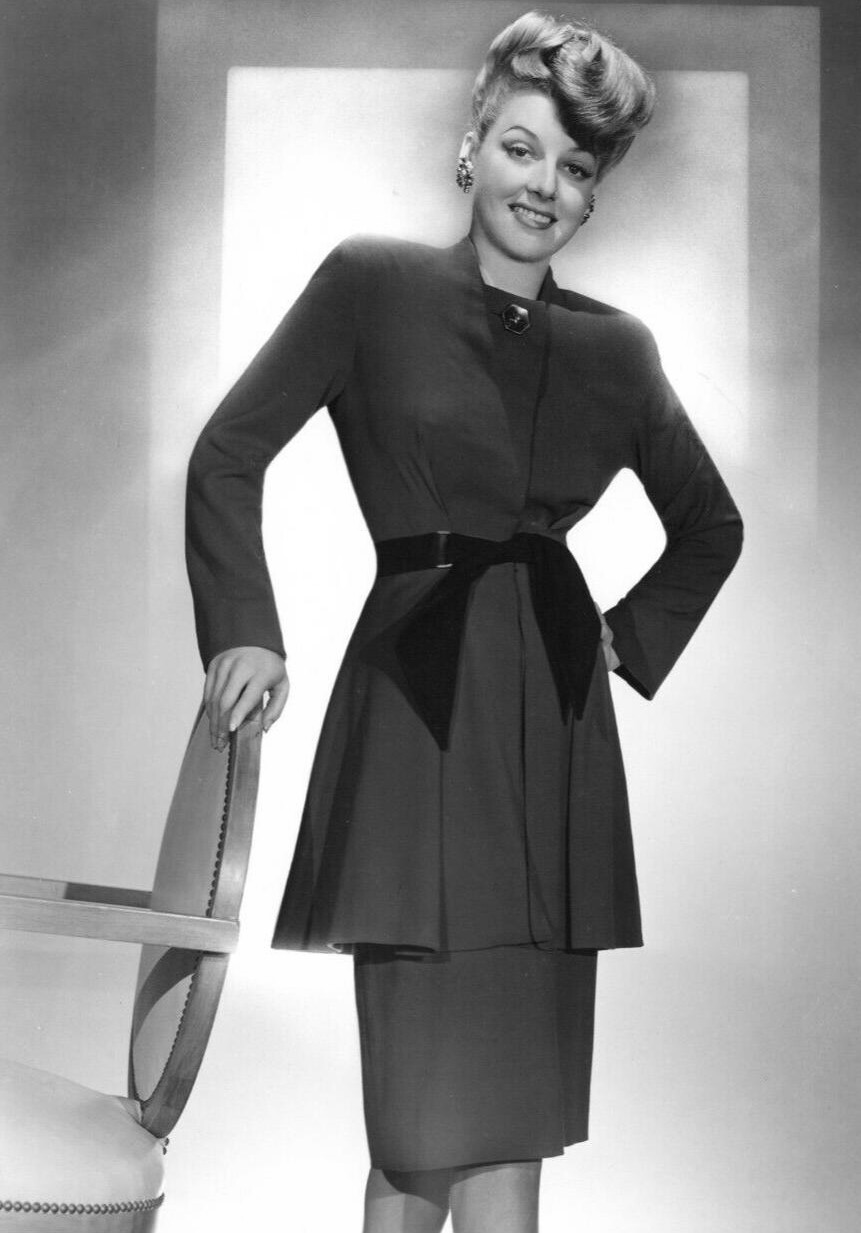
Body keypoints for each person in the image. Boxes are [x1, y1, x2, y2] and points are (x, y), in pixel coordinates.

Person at [185, 11, 743, 1232]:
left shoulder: (619, 350)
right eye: (522, 149)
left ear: (595, 195)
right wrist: (244, 626)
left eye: (575, 168)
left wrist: (626, 636)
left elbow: (713, 525)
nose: (544, 185)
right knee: (416, 1134)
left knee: (513, 1136)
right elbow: (227, 454)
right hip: (418, 724)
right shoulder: (370, 286)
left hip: (555, 743)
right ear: (471, 147)